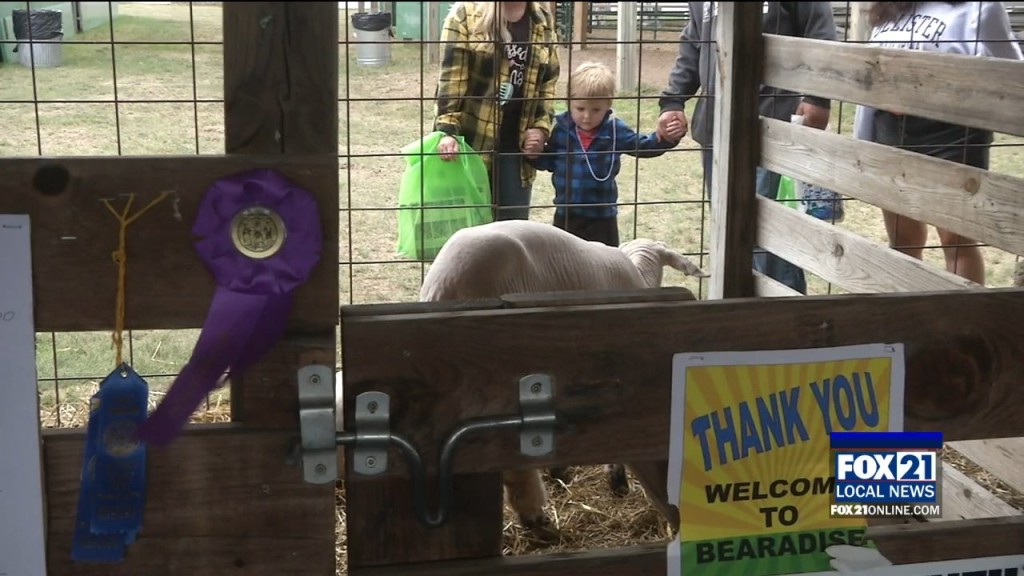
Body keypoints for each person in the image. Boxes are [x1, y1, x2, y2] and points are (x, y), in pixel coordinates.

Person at [656, 2, 839, 294]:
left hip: (773, 127)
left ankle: (782, 322)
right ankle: (742, 315)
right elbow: (694, 42)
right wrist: (674, 100)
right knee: (730, 232)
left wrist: (818, 98)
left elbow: (820, 33)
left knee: (770, 234)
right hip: (716, 128)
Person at [854, 1, 1023, 286]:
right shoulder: (888, 8)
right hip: (891, 132)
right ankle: (909, 315)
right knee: (901, 236)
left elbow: (1013, 73)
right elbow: (873, 75)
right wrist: (863, 141)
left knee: (955, 237)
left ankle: (963, 324)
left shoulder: (980, 8)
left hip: (953, 132)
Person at [530, 61, 684, 247]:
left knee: (606, 266)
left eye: (596, 110)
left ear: (608, 104)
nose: (587, 116)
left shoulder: (614, 129)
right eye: (580, 109)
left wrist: (666, 138)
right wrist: (534, 154)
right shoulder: (562, 130)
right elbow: (550, 162)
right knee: (565, 265)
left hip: (602, 216)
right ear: (569, 102)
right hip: (566, 214)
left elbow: (643, 146)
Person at [432, 1, 561, 221]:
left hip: (516, 149)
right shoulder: (464, 14)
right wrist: (447, 131)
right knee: (469, 236)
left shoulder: (542, 19)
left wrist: (541, 128)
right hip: (470, 146)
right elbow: (451, 80)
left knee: (512, 235)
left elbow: (548, 81)